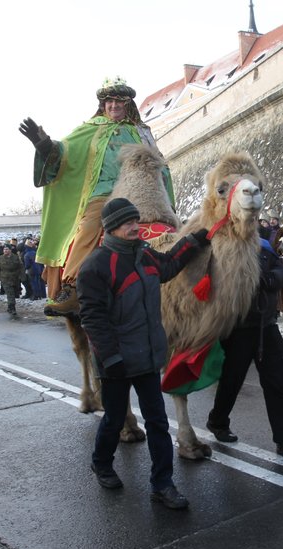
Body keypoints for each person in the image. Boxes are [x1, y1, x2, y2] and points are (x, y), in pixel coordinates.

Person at [77, 198, 208, 510]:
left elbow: (169, 265)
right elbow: (93, 319)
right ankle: (102, 463)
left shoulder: (145, 254)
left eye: (135, 221)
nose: (134, 227)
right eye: (126, 223)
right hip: (117, 363)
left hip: (148, 358)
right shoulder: (96, 266)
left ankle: (162, 484)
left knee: (158, 422)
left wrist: (192, 241)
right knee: (112, 419)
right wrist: (111, 358)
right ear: (111, 228)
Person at [20, 76, 173, 317]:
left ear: (128, 104)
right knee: (89, 226)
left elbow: (161, 166)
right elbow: (63, 154)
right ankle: (71, 288)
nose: (114, 105)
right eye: (109, 101)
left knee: (171, 230)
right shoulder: (88, 131)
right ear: (102, 104)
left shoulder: (141, 133)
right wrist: (44, 146)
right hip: (103, 195)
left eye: (119, 101)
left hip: (140, 193)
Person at [205, 237, 283, 459]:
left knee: (276, 384)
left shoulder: (263, 245)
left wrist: (270, 279)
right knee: (231, 380)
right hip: (237, 329)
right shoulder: (222, 246)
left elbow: (280, 270)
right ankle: (217, 422)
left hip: (267, 327)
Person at [0, 245, 26, 315]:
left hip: (15, 279)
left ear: (10, 250)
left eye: (7, 249)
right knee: (10, 294)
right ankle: (12, 308)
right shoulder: (0, 258)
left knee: (14, 293)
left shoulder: (16, 257)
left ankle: (9, 307)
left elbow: (21, 267)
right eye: (4, 249)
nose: (5, 251)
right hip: (5, 279)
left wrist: (22, 277)